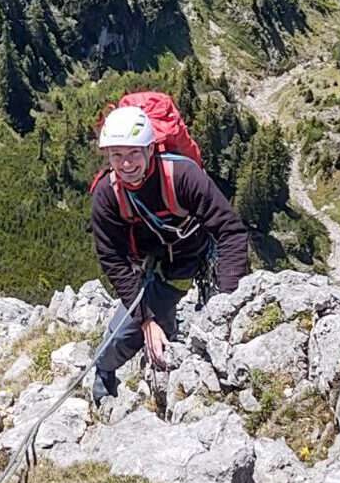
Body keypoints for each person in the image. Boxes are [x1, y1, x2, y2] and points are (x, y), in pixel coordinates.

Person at [89, 104, 250, 404]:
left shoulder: (181, 175)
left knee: (233, 327)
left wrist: (229, 302)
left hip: (201, 254)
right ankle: (104, 372)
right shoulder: (107, 196)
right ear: (108, 158)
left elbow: (230, 232)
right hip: (162, 268)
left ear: (150, 149)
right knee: (123, 335)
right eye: (117, 156)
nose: (126, 164)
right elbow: (113, 259)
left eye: (134, 153)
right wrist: (146, 320)